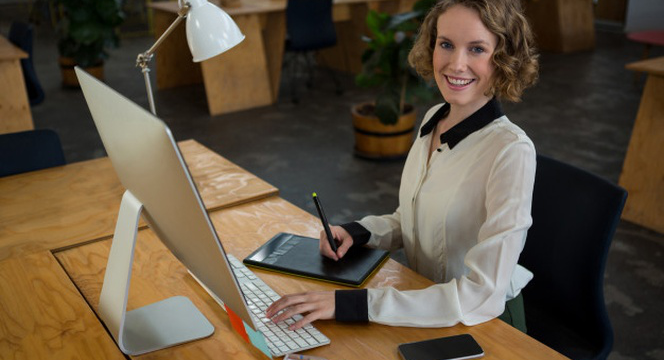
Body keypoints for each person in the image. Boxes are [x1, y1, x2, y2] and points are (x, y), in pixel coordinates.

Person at [266, 0, 539, 333]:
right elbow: (414, 218)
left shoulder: (511, 151)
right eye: (446, 44)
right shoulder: (434, 118)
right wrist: (359, 232)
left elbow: (482, 295)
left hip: (485, 322)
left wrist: (353, 304)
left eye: (477, 49)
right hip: (424, 302)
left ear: (503, 59)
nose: (456, 63)